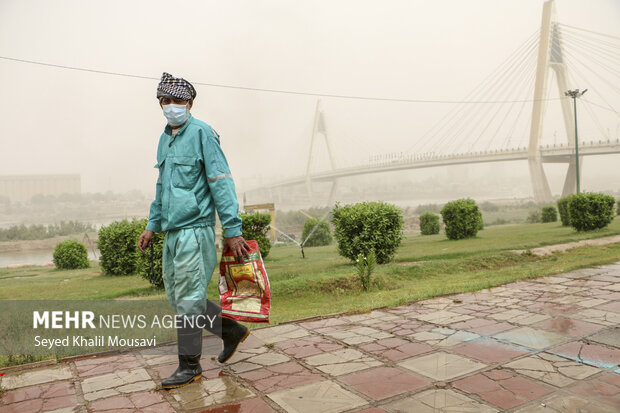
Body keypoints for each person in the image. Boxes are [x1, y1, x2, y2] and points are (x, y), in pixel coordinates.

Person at [138, 72, 251, 390]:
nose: (171, 106)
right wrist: (152, 225)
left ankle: (189, 367)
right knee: (180, 299)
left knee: (188, 300)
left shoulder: (203, 133)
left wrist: (232, 229)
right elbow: (162, 187)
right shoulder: (165, 139)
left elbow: (221, 181)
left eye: (178, 101)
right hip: (173, 233)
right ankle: (230, 331)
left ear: (190, 102)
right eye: (165, 101)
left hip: (196, 230)